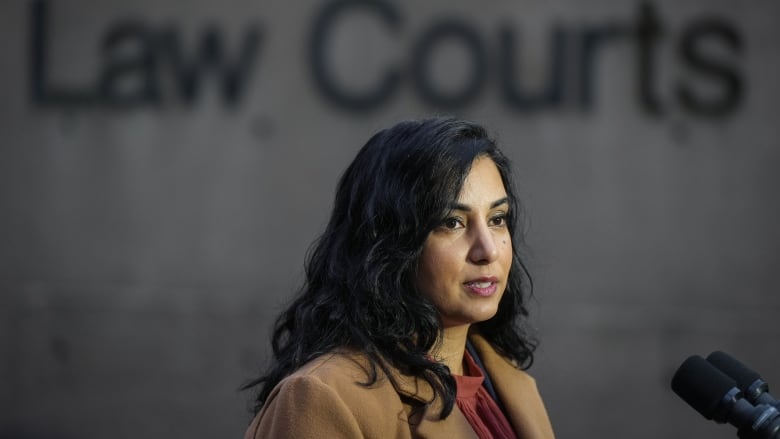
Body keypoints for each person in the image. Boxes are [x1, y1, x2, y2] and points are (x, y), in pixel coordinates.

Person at [243, 117, 555, 438]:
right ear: (390, 244)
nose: (487, 250)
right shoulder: (324, 397)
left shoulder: (507, 383)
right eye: (451, 223)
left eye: (497, 219)